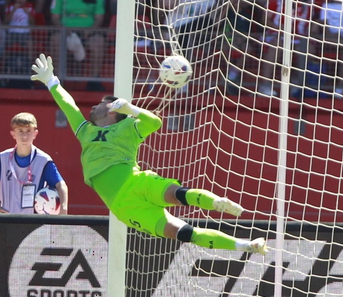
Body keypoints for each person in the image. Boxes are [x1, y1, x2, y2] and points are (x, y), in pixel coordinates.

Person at [30, 53, 268, 255]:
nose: (93, 106)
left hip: (136, 181)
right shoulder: (85, 131)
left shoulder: (127, 127)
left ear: (112, 110)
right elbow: (69, 106)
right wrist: (51, 81)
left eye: (100, 103)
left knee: (179, 194)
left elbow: (154, 122)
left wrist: (131, 109)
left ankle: (216, 202)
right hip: (124, 207)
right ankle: (245, 245)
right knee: (184, 233)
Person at [0, 111, 68, 213]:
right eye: (20, 131)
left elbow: (61, 185)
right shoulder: (3, 158)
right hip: (6, 219)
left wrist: (63, 208)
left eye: (28, 131)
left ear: (35, 134)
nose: (24, 136)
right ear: (13, 134)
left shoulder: (43, 161)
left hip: (33, 220)